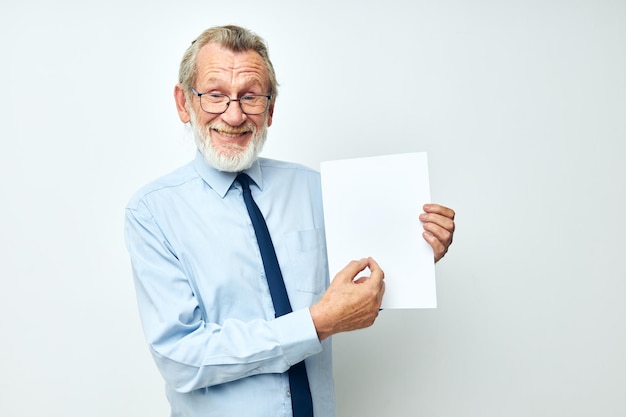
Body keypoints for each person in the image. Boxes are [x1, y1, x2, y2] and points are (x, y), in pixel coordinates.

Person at [124, 25, 455, 417]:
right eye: (215, 95)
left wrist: (411, 257)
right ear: (184, 103)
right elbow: (182, 358)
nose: (234, 114)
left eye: (250, 97)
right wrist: (314, 324)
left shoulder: (315, 189)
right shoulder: (152, 211)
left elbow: (349, 300)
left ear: (271, 109)